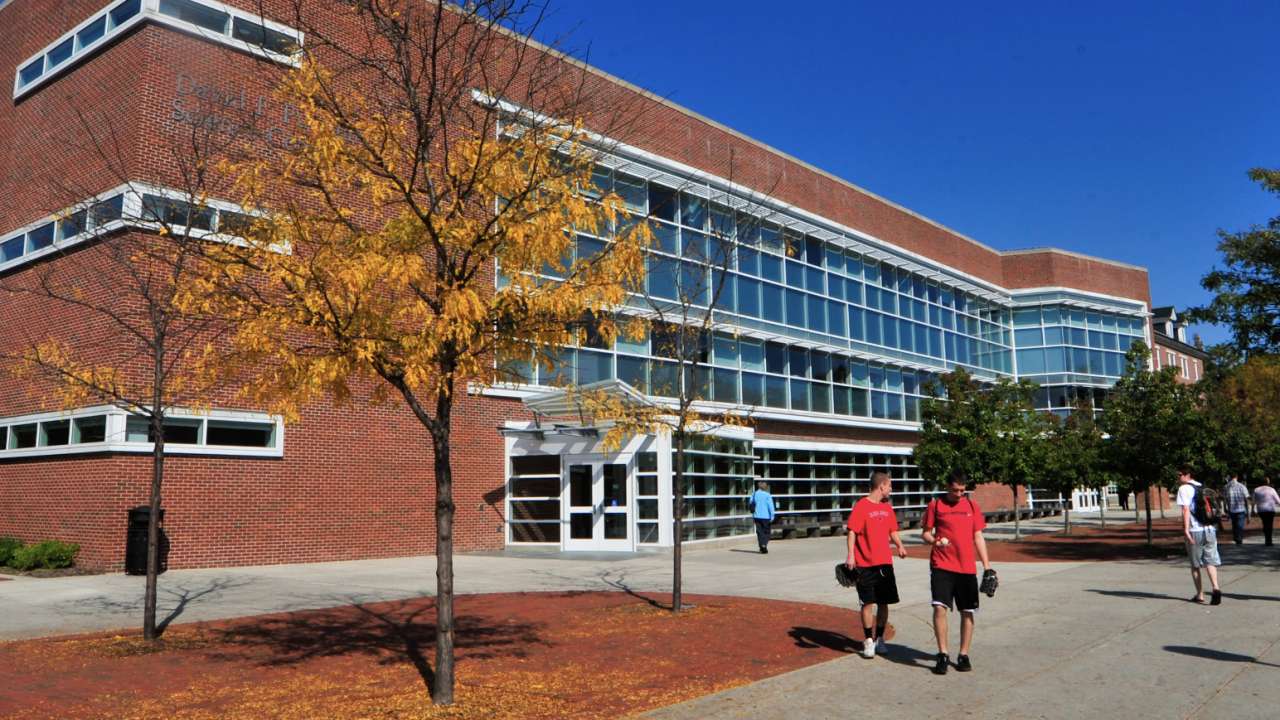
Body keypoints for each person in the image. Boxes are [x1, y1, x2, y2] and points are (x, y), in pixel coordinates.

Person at [921, 471, 993, 675]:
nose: (959, 494)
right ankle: (943, 654)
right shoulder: (935, 505)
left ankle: (963, 654)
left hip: (966, 567)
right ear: (947, 486)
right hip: (941, 565)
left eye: (962, 490)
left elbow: (978, 537)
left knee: (967, 611)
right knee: (939, 609)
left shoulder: (971, 506)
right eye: (955, 490)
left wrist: (987, 567)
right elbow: (925, 533)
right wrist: (935, 541)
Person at [845, 471, 909, 659]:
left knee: (884, 602)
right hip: (865, 564)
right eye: (889, 486)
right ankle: (868, 641)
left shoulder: (887, 508)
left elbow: (892, 530)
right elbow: (852, 532)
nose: (890, 489)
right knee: (867, 603)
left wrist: (900, 546)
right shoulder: (861, 506)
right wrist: (851, 555)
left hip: (885, 564)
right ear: (881, 486)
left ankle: (880, 638)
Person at [1175, 469, 1222, 605]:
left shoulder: (1184, 488)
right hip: (1209, 529)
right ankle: (1216, 588)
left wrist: (1186, 530)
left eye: (1180, 475)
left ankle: (1200, 594)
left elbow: (1185, 509)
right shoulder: (1200, 486)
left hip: (1195, 530)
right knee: (1210, 561)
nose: (1178, 477)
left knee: (1195, 564)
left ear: (1187, 474)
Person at [749, 481, 776, 554]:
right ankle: (764, 545)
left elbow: (751, 503)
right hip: (766, 517)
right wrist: (772, 516)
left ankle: (762, 547)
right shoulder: (767, 495)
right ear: (765, 487)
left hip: (756, 516)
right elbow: (770, 506)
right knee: (767, 532)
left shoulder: (754, 494)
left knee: (759, 532)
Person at [1224, 475, 1250, 545]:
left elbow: (1225, 499)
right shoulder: (1242, 486)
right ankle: (1239, 539)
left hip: (1231, 509)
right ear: (1236, 477)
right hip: (1241, 509)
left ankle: (1236, 538)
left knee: (1234, 525)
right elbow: (1246, 500)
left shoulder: (1226, 487)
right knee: (1240, 525)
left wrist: (1225, 509)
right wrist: (1248, 514)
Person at [1253, 477, 1278, 547]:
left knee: (1265, 523)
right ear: (1267, 482)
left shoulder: (1256, 490)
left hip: (1261, 510)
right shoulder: (1271, 490)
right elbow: (1278, 500)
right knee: (1269, 524)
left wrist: (1252, 509)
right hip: (1270, 509)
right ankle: (1268, 540)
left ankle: (1266, 535)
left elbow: (1254, 500)